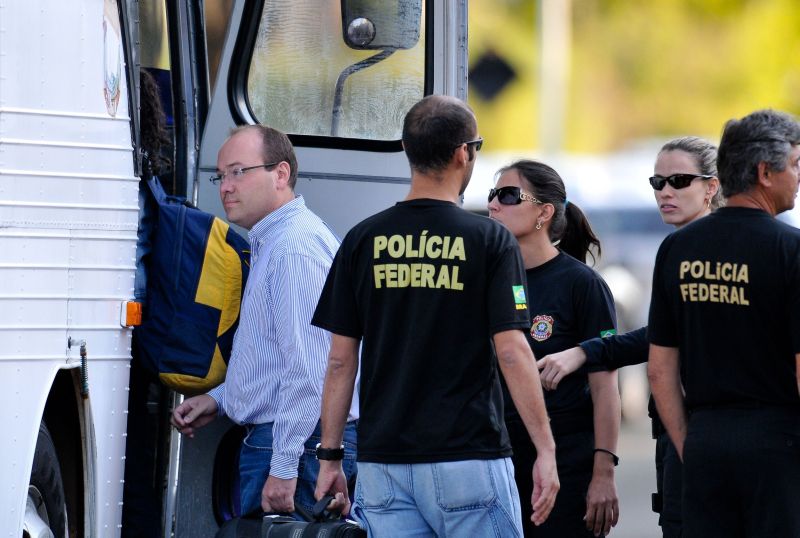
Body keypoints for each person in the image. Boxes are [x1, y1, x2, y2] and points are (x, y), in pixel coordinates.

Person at [311, 94, 559, 537]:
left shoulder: (362, 239)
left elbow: (339, 360)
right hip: (468, 456)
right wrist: (545, 448)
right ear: (464, 153)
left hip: (383, 462)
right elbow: (513, 352)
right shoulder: (490, 240)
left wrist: (330, 457)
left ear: (407, 150)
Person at [535, 136, 722, 538]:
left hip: (705, 428)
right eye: (658, 182)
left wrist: (587, 352)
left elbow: (666, 341)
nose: (665, 192)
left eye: (679, 181)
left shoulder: (705, 246)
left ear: (712, 186)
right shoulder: (678, 244)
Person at [170, 125, 358, 517]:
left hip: (296, 447)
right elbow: (279, 356)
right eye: (221, 175)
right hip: (292, 442)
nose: (225, 187)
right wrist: (221, 399)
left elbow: (311, 371)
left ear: (281, 174)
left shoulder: (293, 248)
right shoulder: (276, 240)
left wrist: (285, 466)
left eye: (238, 171)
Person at [648, 109, 800, 537]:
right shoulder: (790, 250)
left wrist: (689, 446)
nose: (799, 178)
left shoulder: (677, 249)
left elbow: (660, 369)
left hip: (704, 438)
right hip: (778, 442)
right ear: (764, 172)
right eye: (795, 165)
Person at [488, 160, 620, 538]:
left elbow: (605, 386)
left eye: (509, 195)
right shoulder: (487, 279)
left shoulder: (582, 284)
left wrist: (602, 474)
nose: (494, 204)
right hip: (497, 460)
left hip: (566, 462)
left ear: (545, 212)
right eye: (492, 195)